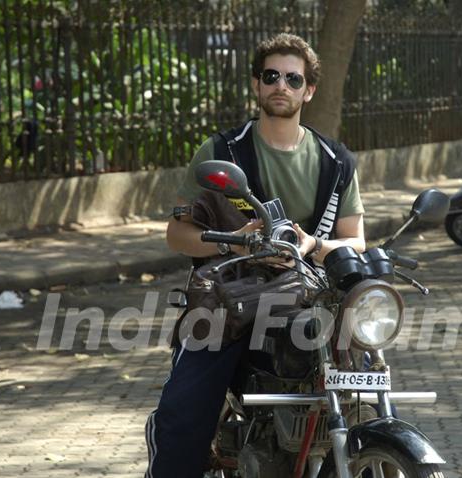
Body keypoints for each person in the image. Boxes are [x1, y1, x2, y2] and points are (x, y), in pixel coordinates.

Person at [144, 33, 366, 478]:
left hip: (308, 300)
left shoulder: (335, 161)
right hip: (230, 301)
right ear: (256, 85)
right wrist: (232, 240)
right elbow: (177, 234)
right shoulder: (222, 151)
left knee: (364, 393)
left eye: (292, 78)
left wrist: (314, 246)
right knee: (184, 416)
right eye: (271, 76)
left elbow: (355, 240)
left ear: (309, 90)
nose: (280, 85)